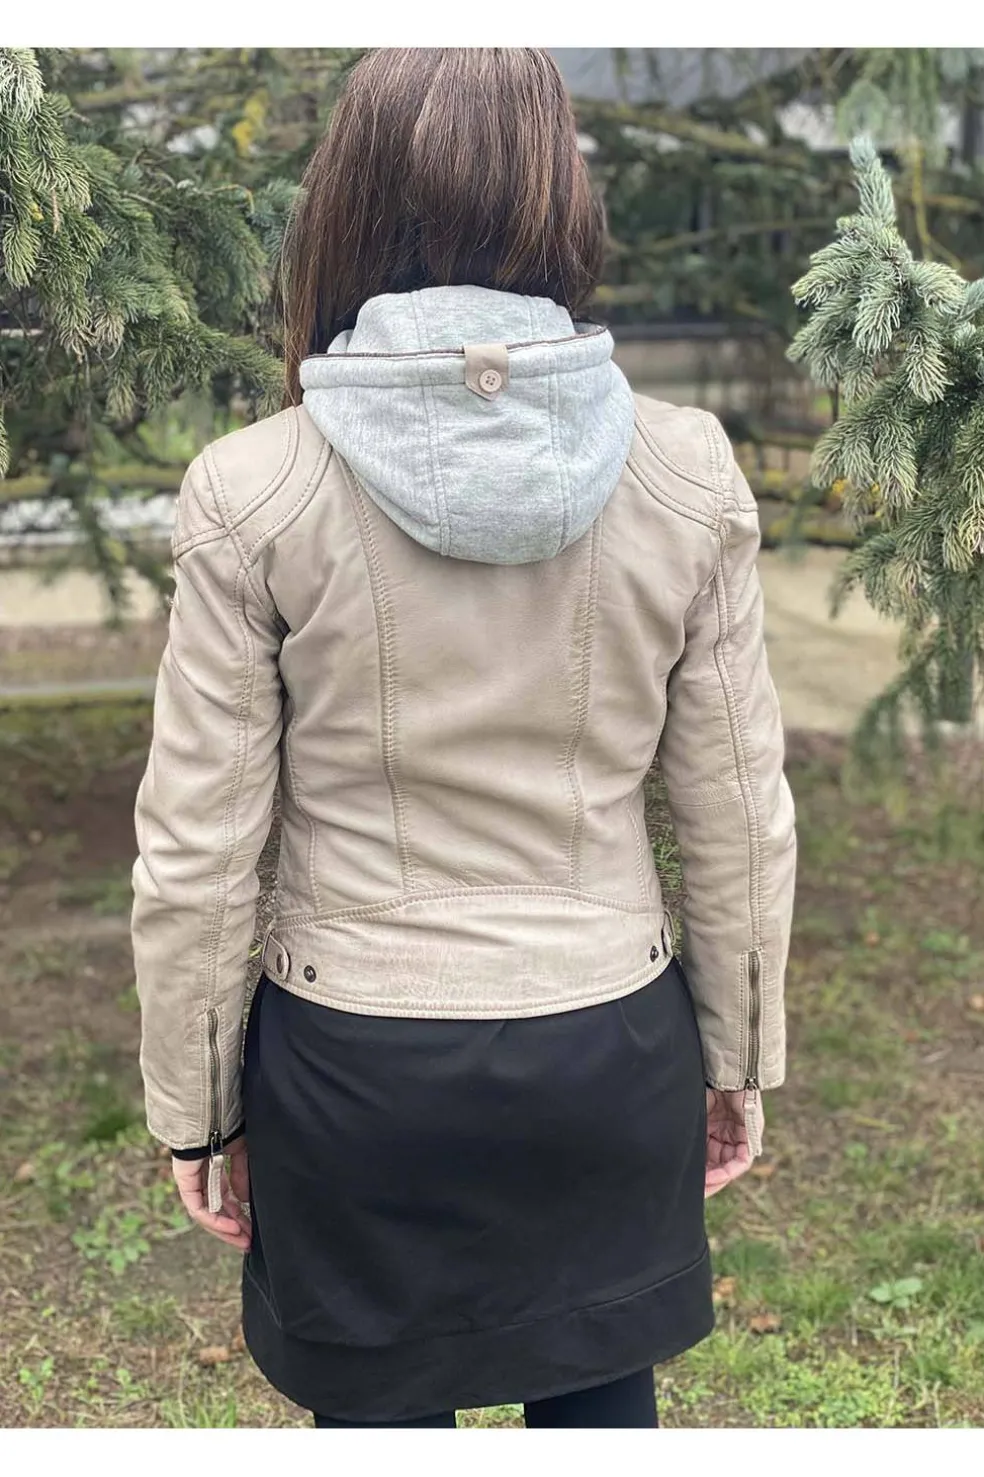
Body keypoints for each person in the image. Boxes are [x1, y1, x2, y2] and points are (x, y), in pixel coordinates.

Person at [130, 46, 796, 1431]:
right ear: (562, 197)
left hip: (354, 1067)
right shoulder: (688, 471)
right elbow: (739, 806)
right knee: (602, 1407)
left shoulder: (254, 488)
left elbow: (199, 843)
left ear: (348, 200)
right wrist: (736, 1056)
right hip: (607, 1045)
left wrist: (196, 1103)